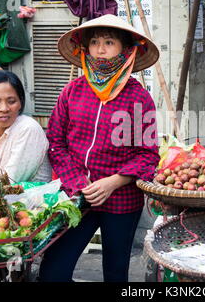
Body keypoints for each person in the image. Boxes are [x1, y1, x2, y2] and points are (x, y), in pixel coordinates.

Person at [38, 14, 161, 282]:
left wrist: (113, 182)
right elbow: (56, 142)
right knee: (53, 271)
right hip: (78, 196)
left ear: (126, 50)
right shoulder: (72, 91)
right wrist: (77, 181)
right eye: (94, 42)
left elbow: (149, 155)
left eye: (109, 42)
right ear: (86, 48)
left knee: (116, 272)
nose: (101, 49)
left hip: (122, 198)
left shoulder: (138, 97)